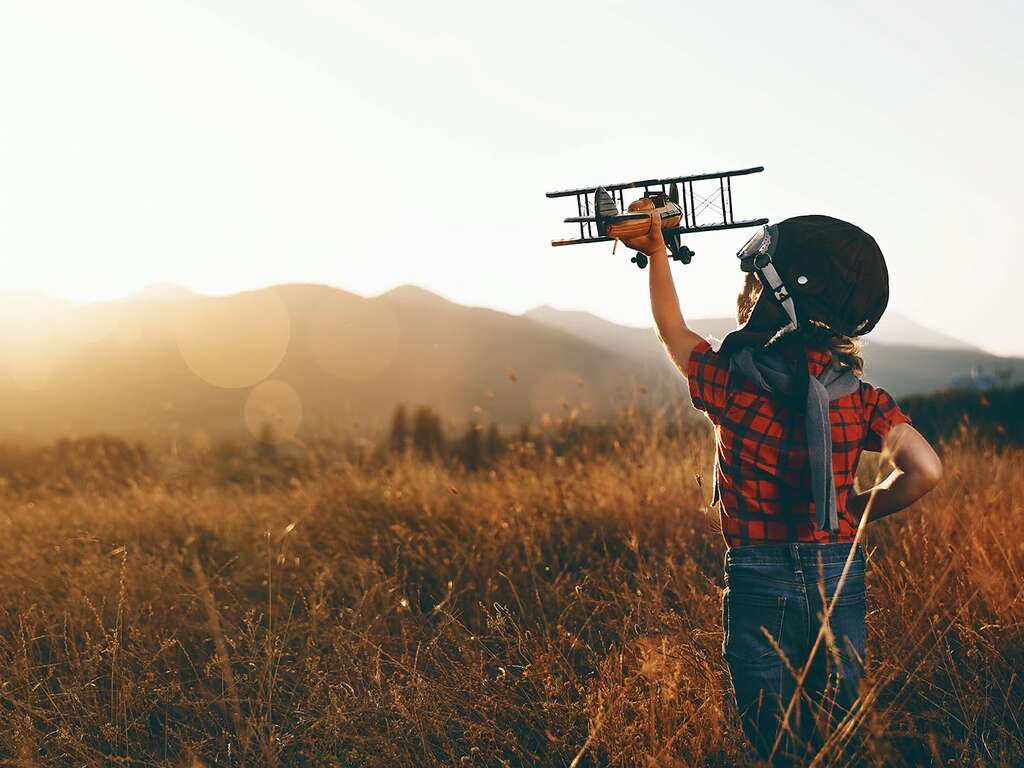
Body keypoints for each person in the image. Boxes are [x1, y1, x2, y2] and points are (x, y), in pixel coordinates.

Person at [611, 209, 943, 766]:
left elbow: (672, 329)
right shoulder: (863, 401)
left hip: (758, 572)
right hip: (837, 568)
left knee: (771, 727)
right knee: (839, 720)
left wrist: (658, 254)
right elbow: (926, 470)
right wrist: (856, 508)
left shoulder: (732, 381)